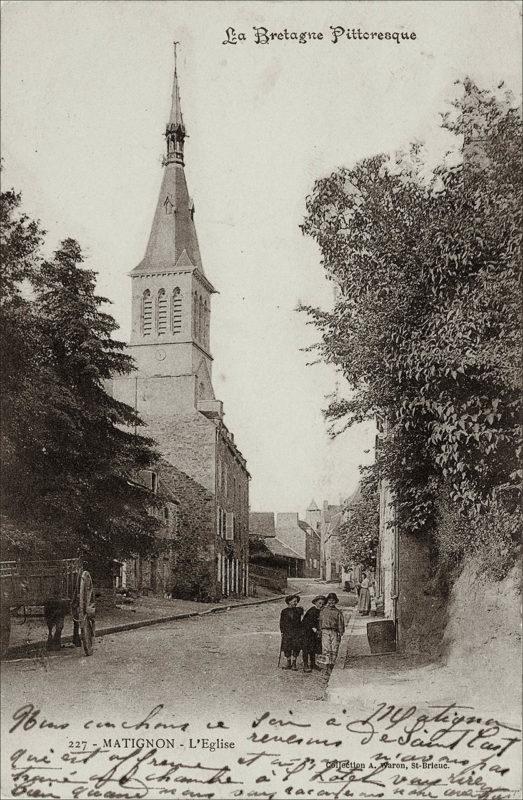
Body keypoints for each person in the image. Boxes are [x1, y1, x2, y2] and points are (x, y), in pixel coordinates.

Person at [319, 592, 345, 673]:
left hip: (334, 632)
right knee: (326, 649)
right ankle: (327, 666)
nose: (331, 602)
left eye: (333, 600)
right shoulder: (323, 610)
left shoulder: (338, 612)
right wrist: (320, 630)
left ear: (335, 601)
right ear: (327, 601)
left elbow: (341, 624)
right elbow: (320, 621)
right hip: (325, 631)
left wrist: (340, 633)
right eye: (329, 600)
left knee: (334, 648)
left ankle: (332, 664)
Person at [301, 595, 326, 673]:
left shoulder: (322, 611)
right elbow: (307, 622)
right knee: (306, 648)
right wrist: (315, 630)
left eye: (322, 604)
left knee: (313, 648)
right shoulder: (312, 611)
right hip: (307, 632)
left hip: (315, 633)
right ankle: (305, 664)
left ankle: (313, 663)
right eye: (319, 603)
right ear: (315, 602)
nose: (321, 605)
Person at [279, 594, 303, 670]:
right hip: (287, 632)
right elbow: (281, 622)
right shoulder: (284, 611)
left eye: (296, 601)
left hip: (296, 632)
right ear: (289, 602)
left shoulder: (298, 610)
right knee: (287, 647)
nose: (296, 603)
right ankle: (288, 662)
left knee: (296, 647)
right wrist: (282, 631)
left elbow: (300, 621)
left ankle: (294, 663)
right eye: (294, 601)